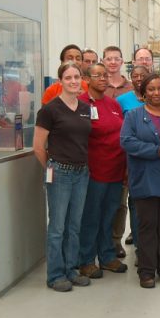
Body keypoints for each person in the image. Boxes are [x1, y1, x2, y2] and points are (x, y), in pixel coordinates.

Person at [120, 74, 160, 288]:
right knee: (146, 227)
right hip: (144, 180)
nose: (156, 93)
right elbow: (127, 142)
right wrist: (159, 151)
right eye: (152, 89)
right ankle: (146, 272)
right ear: (144, 92)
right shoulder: (133, 116)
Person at [33, 62, 92, 292]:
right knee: (57, 226)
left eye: (77, 77)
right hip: (60, 172)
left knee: (74, 225)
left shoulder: (85, 107)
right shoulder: (49, 110)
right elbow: (38, 147)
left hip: (82, 172)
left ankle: (71, 269)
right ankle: (55, 275)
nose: (74, 81)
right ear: (60, 81)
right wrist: (53, 167)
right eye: (68, 77)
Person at [78, 63, 128, 279]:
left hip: (116, 168)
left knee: (109, 214)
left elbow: (122, 133)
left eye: (105, 75)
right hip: (93, 171)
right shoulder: (80, 104)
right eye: (97, 75)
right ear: (87, 78)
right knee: (91, 216)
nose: (102, 78)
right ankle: (87, 260)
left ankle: (107, 256)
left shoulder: (113, 104)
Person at [102, 46, 133, 259]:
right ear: (103, 61)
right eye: (108, 59)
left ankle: (115, 241)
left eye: (116, 59)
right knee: (99, 202)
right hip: (101, 155)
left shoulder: (131, 89)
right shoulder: (98, 86)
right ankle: (98, 241)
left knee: (121, 202)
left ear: (122, 61)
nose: (113, 62)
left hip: (125, 156)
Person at [116, 65, 150, 252]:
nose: (138, 79)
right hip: (127, 158)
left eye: (142, 75)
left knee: (143, 204)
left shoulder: (156, 98)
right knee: (128, 203)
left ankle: (145, 247)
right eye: (134, 75)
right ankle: (135, 242)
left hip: (151, 159)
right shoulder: (122, 100)